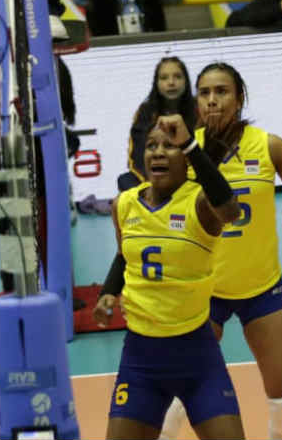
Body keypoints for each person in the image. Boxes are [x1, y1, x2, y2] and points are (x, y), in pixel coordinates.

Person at [108, 63, 282, 440]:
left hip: (262, 286)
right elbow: (147, 217)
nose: (212, 100)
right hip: (205, 294)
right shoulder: (180, 148)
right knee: (178, 394)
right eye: (204, 93)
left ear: (239, 99)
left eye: (221, 92)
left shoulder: (268, 145)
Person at [92, 114, 243, 440]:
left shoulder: (199, 202)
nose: (158, 152)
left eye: (170, 146)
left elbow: (230, 210)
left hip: (197, 356)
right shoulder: (124, 205)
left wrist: (190, 144)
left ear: (186, 157)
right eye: (151, 146)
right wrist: (109, 292)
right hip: (141, 359)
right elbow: (125, 254)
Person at [121, 56, 197, 190]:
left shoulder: (199, 109)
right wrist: (151, 185)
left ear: (186, 81)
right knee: (125, 180)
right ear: (156, 83)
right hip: (154, 177)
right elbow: (136, 157)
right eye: (164, 78)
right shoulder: (145, 112)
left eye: (177, 77)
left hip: (192, 178)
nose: (171, 83)